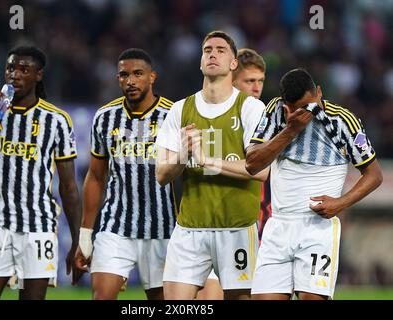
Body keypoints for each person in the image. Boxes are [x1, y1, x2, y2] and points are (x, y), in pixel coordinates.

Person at [0, 45, 83, 300]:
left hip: (37, 229)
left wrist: (77, 240)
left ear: (38, 75)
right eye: (11, 68)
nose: (15, 74)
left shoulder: (56, 120)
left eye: (24, 69)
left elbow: (68, 186)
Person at [246, 68, 383, 300]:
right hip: (278, 226)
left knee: (311, 298)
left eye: (312, 104)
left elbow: (374, 174)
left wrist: (341, 203)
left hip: (316, 229)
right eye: (302, 108)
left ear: (319, 92)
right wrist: (291, 130)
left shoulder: (342, 121)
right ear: (286, 105)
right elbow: (252, 164)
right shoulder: (275, 112)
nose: (310, 112)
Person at [156, 31, 269, 300]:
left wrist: (208, 161)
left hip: (237, 228)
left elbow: (261, 170)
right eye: (207, 50)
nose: (212, 53)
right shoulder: (180, 110)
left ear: (233, 64)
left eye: (220, 49)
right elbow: (161, 175)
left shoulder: (251, 108)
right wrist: (184, 153)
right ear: (200, 62)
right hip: (189, 228)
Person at [74, 48, 177, 300]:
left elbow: (184, 176)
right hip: (116, 226)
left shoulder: (174, 115)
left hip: (163, 229)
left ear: (152, 77)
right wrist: (85, 236)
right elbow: (96, 177)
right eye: (124, 75)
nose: (130, 81)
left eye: (138, 74)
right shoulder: (105, 117)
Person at [196, 48, 268, 300]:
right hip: (214, 225)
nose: (257, 88)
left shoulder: (269, 122)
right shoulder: (208, 118)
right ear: (232, 80)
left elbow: (264, 174)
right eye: (250, 81)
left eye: (260, 81)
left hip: (259, 228)